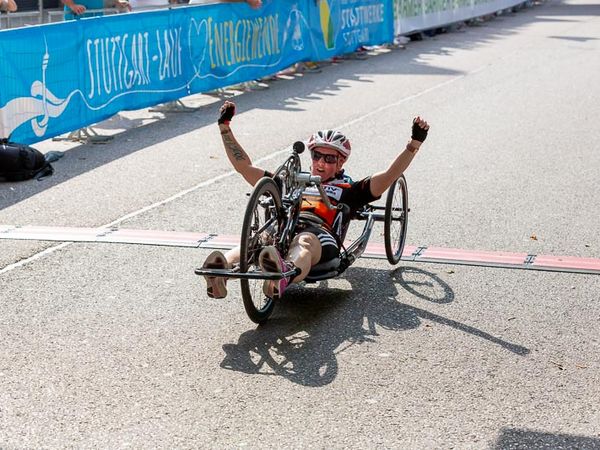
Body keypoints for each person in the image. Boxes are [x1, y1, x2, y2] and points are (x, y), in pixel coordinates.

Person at [202, 101, 429, 300]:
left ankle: (282, 275)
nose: (321, 163)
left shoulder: (348, 189)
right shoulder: (290, 181)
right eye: (317, 156)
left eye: (329, 159)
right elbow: (244, 167)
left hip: (321, 237)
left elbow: (389, 176)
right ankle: (220, 271)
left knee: (304, 241)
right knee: (257, 240)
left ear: (341, 163)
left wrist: (414, 144)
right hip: (283, 229)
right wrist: (225, 128)